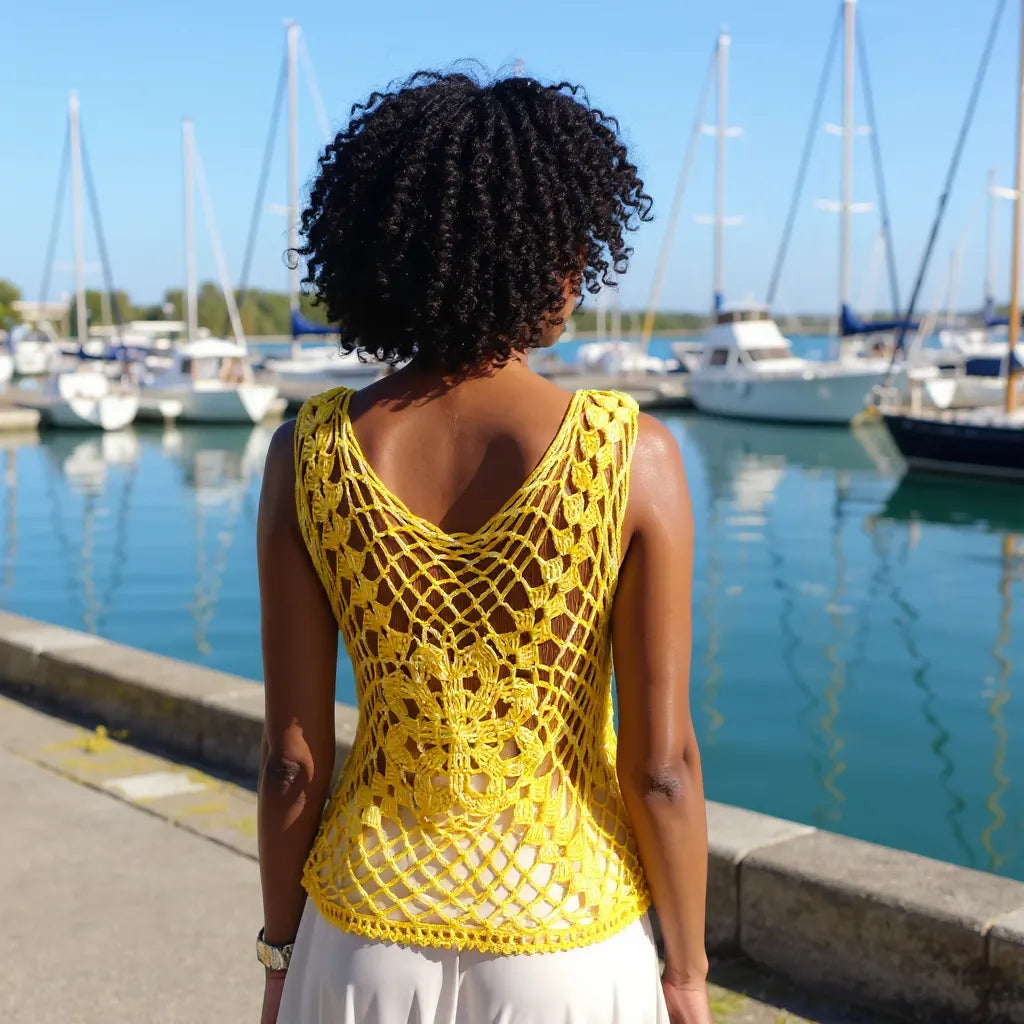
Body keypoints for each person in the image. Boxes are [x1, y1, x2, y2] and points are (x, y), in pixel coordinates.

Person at [256, 69, 711, 1024]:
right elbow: (662, 768)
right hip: (568, 934)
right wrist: (687, 973)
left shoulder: (310, 452)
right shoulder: (631, 455)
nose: (580, 266)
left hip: (361, 926)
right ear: (537, 251)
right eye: (569, 240)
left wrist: (280, 955)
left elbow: (293, 762)